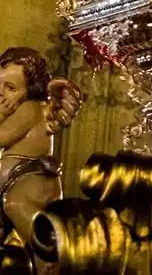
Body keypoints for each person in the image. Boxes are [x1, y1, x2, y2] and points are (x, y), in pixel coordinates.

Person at [0, 46, 83, 260]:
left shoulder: (30, 109)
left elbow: (2, 137)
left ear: (31, 90)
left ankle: (48, 255)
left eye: (10, 87)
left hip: (32, 181)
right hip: (16, 181)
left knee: (14, 204)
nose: (0, 92)